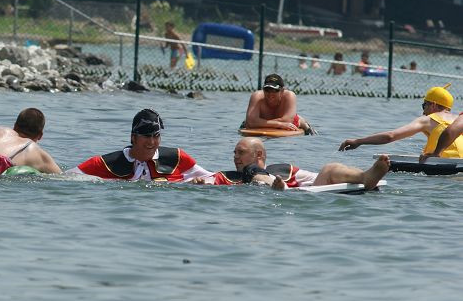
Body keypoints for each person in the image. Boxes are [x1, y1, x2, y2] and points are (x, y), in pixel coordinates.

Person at [71, 108, 212, 182]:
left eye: (156, 136)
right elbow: (65, 178)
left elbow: (212, 177)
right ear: (133, 138)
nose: (151, 142)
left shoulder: (177, 158)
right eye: (146, 136)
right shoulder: (105, 163)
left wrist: (200, 183)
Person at [198, 137, 390, 191]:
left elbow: (317, 179)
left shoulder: (284, 169)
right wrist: (198, 183)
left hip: (301, 195)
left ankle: (366, 176)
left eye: (240, 152)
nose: (235, 157)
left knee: (329, 168)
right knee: (251, 172)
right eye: (234, 153)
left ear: (258, 154)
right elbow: (201, 183)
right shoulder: (225, 175)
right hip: (281, 194)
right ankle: (271, 185)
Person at [339, 85, 463, 158]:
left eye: (424, 105)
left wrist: (358, 141)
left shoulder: (427, 120)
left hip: (444, 167)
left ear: (433, 105)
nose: (423, 112)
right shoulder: (459, 119)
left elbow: (390, 136)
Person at [242, 73, 314, 134]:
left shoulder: (290, 96)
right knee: (248, 123)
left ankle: (302, 123)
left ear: (282, 91)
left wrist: (257, 122)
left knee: (294, 122)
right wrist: (280, 124)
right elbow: (251, 122)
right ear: (263, 89)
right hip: (277, 123)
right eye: (267, 90)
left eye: (275, 90)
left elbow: (287, 121)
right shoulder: (257, 96)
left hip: (288, 122)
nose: (270, 94)